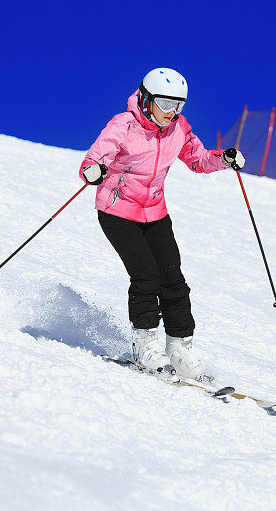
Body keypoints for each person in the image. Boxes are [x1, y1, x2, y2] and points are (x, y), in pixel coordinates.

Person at [79, 68, 245, 379]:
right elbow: (94, 158)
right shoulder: (123, 125)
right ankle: (145, 345)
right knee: (146, 275)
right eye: (166, 104)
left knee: (173, 278)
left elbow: (198, 159)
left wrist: (223, 159)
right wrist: (92, 171)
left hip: (154, 212)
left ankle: (179, 347)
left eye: (178, 106)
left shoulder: (178, 129)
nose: (172, 113)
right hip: (117, 212)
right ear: (146, 99)